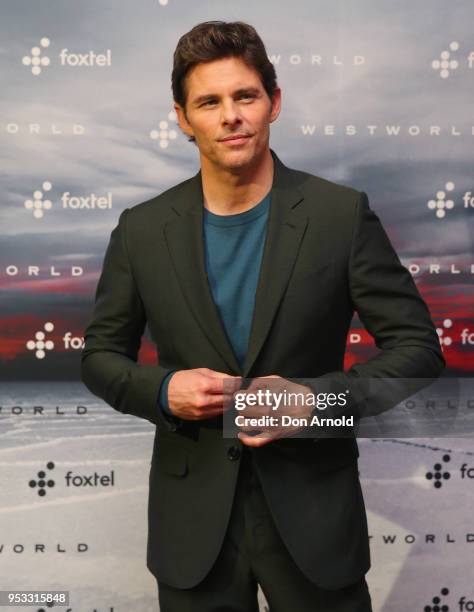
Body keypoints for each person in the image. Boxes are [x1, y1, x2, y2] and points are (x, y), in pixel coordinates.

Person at [81, 20, 445, 612]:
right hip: (193, 524)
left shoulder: (339, 215)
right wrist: (164, 388)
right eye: (209, 101)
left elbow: (419, 349)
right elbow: (99, 357)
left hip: (314, 519)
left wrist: (315, 402)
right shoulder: (141, 230)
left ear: (273, 103)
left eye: (245, 96)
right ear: (182, 117)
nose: (231, 115)